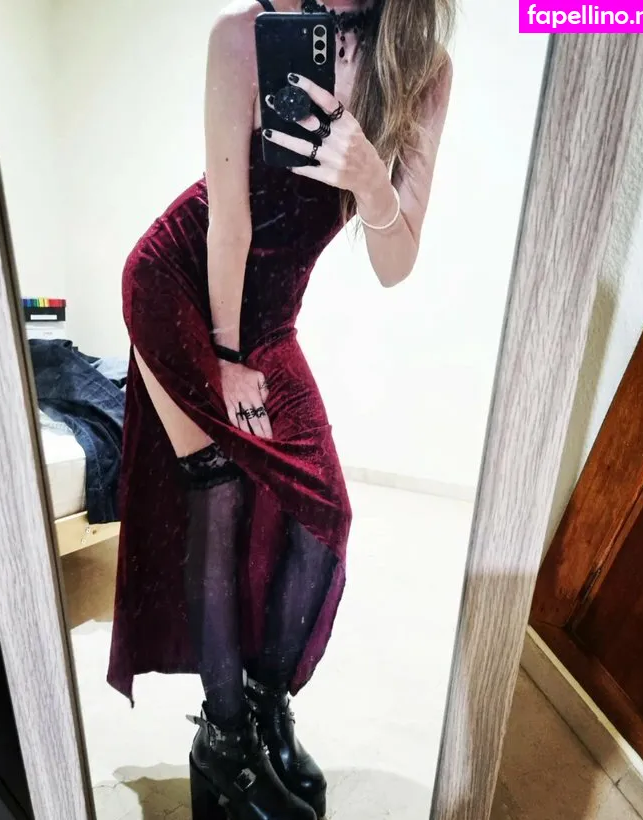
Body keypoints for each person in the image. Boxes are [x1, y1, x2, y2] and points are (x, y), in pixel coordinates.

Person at [108, 0, 453, 817]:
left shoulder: (421, 66)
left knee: (321, 510)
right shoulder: (242, 38)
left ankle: (264, 706)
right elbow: (227, 222)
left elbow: (395, 264)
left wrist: (370, 180)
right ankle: (224, 742)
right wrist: (226, 358)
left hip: (269, 319)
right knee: (219, 492)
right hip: (180, 284)